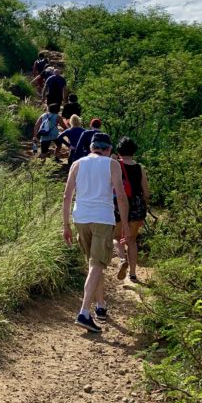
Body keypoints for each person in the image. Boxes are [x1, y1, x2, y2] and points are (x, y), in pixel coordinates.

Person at [63, 133, 129, 333]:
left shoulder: (77, 164)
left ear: (91, 147)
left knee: (94, 264)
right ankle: (83, 312)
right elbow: (122, 196)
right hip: (102, 218)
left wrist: (65, 225)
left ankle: (100, 305)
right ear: (108, 149)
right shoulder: (112, 164)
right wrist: (125, 224)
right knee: (98, 265)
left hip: (80, 218)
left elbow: (67, 196)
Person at [112, 137, 150, 283]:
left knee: (116, 237)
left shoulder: (115, 165)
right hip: (136, 204)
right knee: (132, 240)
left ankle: (122, 260)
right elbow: (146, 192)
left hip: (119, 204)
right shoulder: (139, 167)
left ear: (119, 150)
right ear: (134, 151)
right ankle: (133, 274)